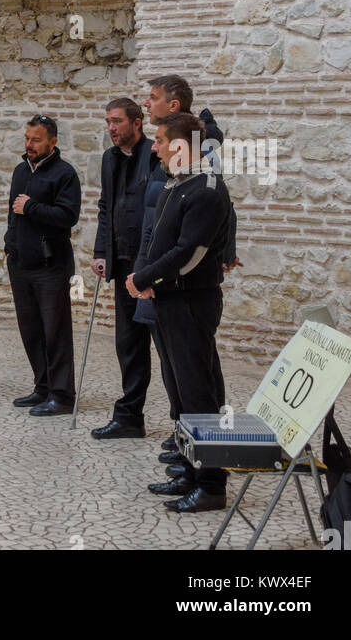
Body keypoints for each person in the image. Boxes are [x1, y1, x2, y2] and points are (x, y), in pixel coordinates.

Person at [127, 111, 233, 514]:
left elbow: (189, 253)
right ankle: (190, 471)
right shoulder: (180, 181)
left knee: (198, 394)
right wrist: (151, 278)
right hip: (170, 299)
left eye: (158, 140)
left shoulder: (206, 188)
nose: (152, 147)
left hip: (190, 301)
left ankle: (211, 485)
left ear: (179, 145)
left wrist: (146, 277)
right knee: (182, 393)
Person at [4, 115, 81, 416]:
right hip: (21, 264)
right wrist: (10, 246)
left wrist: (31, 207)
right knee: (31, 330)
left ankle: (62, 396)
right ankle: (42, 387)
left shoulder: (65, 174)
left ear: (52, 141)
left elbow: (68, 216)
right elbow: (13, 213)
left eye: (36, 140)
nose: (29, 145)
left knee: (55, 332)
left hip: (52, 266)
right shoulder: (21, 171)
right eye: (27, 138)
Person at [90, 98, 153, 440]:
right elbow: (106, 207)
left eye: (116, 121)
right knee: (128, 345)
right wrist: (102, 250)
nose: (111, 128)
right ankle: (130, 416)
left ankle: (183, 425)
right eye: (108, 121)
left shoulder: (155, 154)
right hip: (123, 267)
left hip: (153, 270)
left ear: (137, 122)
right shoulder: (109, 158)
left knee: (167, 349)